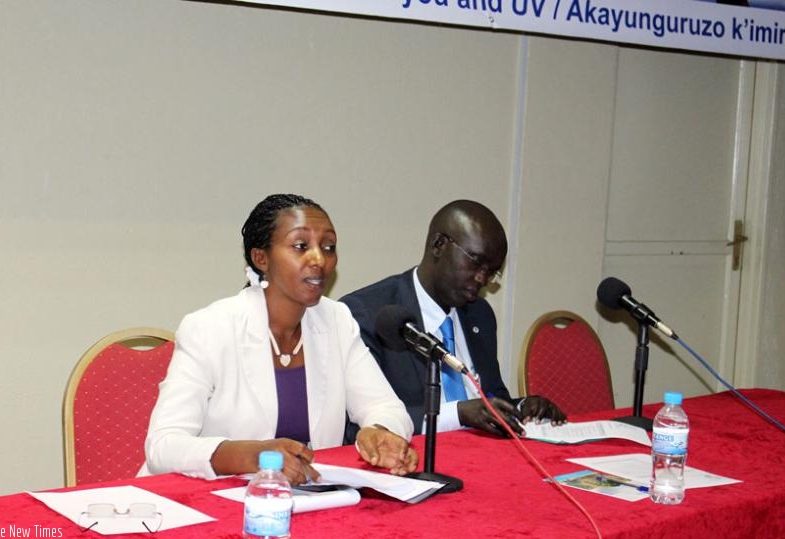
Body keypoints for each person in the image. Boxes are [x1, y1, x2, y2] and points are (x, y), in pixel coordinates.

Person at [141, 194, 417, 485]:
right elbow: (163, 445)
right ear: (261, 258)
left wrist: (379, 432)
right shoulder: (209, 328)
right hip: (210, 496)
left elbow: (387, 408)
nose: (319, 259)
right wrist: (253, 455)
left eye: (328, 247)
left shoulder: (337, 320)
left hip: (309, 498)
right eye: (301, 246)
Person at [340, 199, 566, 438]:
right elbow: (363, 423)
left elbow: (491, 398)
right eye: (476, 262)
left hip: (484, 459)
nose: (482, 280)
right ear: (438, 245)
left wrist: (521, 407)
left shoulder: (480, 314)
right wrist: (457, 414)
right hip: (411, 465)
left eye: (491, 272)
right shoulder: (369, 313)